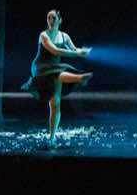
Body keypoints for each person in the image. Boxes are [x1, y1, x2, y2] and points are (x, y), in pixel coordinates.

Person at [21, 9, 93, 147]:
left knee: (55, 102)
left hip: (55, 68)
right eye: (48, 18)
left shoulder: (64, 36)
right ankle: (79, 78)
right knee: (59, 73)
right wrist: (77, 54)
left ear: (60, 20)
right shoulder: (44, 35)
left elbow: (74, 49)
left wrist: (83, 51)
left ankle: (52, 138)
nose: (51, 20)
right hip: (40, 67)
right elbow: (56, 51)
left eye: (53, 18)